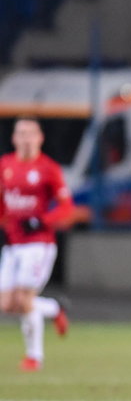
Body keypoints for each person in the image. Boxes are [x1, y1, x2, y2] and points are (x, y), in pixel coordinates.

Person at [0, 117, 74, 371]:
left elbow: (66, 206)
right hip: (13, 244)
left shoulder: (48, 168)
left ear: (40, 138)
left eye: (31, 133)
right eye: (21, 133)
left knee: (23, 299)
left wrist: (43, 220)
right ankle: (54, 308)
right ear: (14, 138)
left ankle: (34, 357)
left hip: (38, 244)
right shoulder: (5, 165)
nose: (26, 138)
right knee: (6, 304)